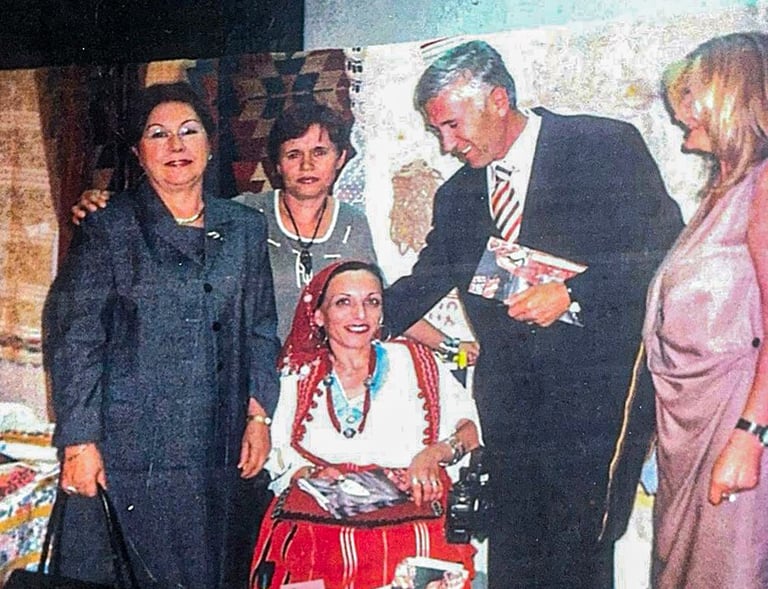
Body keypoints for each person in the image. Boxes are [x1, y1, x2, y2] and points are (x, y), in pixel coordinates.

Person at [382, 40, 684, 587]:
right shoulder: (456, 196)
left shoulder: (602, 146)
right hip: (509, 409)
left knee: (579, 556)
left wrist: (574, 293)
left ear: (498, 100)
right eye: (437, 130)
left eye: (452, 125)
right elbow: (425, 281)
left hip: (595, 400)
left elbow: (664, 249)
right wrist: (343, 315)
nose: (447, 145)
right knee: (515, 557)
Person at [43, 82, 280, 589]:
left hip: (217, 445)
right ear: (138, 152)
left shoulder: (244, 228)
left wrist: (259, 416)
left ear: (210, 144)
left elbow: (261, 327)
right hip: (134, 451)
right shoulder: (110, 227)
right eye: (158, 134)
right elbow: (76, 338)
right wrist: (79, 442)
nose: (176, 145)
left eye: (189, 131)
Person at [73, 100, 479, 359]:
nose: (307, 166)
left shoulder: (353, 223)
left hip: (327, 378)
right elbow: (173, 218)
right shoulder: (245, 214)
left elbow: (381, 304)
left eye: (320, 152)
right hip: (257, 380)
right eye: (293, 154)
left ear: (340, 159)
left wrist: (451, 346)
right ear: (277, 164)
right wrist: (106, 203)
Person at [250, 260, 481, 589]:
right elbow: (277, 452)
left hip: (411, 528)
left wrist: (434, 454)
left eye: (372, 302)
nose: (360, 315)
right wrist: (310, 473)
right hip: (319, 532)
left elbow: (469, 431)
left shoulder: (416, 362)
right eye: (343, 302)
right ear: (318, 316)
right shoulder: (296, 375)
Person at [643, 32, 768, 588]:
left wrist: (750, 436)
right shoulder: (725, 188)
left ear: (730, 97)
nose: (680, 119)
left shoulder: (764, 185)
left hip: (734, 420)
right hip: (693, 427)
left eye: (690, 99)